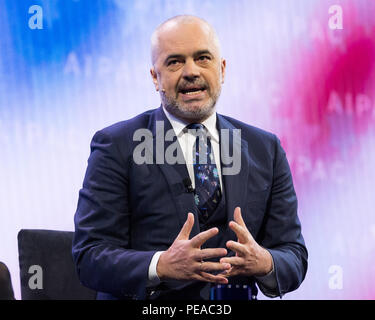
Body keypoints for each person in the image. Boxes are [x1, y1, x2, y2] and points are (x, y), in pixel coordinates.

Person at [72, 15, 307, 300]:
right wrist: (161, 265)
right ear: (155, 78)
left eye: (203, 58)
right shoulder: (117, 146)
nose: (191, 71)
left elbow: (294, 256)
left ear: (222, 69)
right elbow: (90, 256)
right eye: (174, 62)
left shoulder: (265, 149)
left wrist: (265, 262)